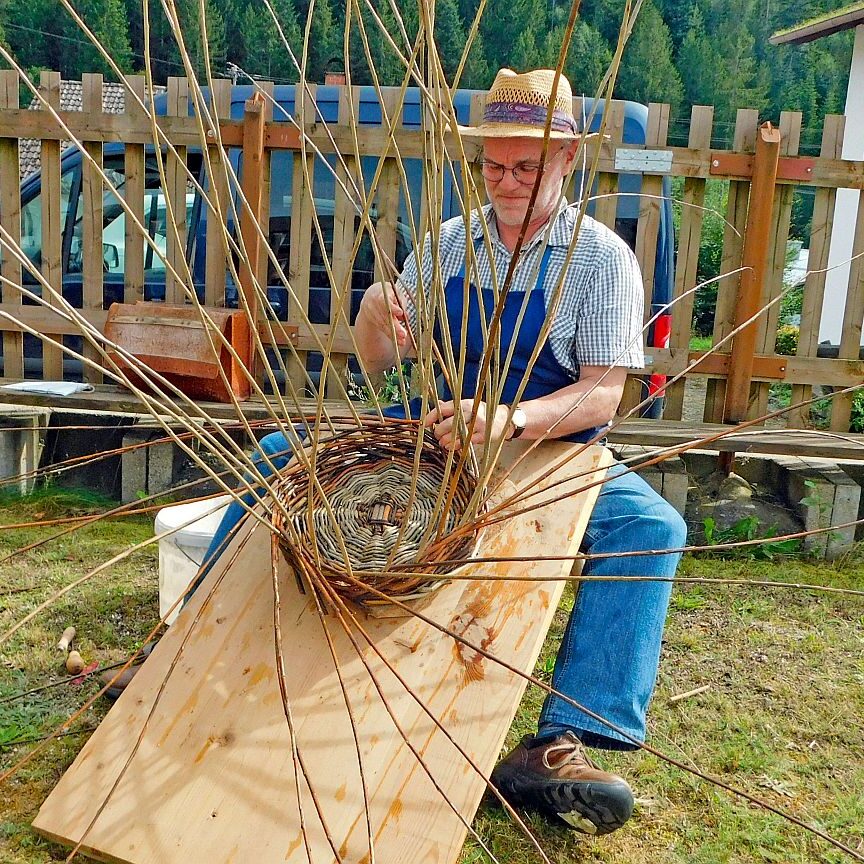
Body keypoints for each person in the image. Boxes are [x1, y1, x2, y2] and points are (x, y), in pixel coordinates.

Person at [105, 67, 687, 838]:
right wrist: (375, 317)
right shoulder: (450, 243)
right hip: (436, 422)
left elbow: (602, 393)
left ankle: (561, 743)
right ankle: (175, 657)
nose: (507, 182)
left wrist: (512, 417)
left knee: (651, 528)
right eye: (494, 166)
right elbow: (380, 363)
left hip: (549, 443)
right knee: (277, 453)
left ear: (568, 159)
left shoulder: (601, 259)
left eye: (526, 166)